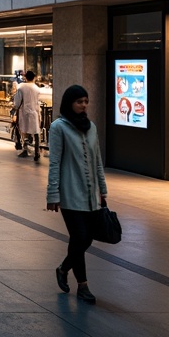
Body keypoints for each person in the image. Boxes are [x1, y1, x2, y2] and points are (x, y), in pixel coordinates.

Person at [47, 84, 108, 304]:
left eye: (85, 101)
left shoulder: (90, 127)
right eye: (78, 102)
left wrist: (103, 190)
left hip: (91, 193)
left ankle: (63, 268)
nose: (83, 106)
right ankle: (83, 286)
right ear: (69, 103)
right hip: (69, 193)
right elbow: (54, 163)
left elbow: (97, 161)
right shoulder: (58, 127)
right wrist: (53, 195)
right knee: (80, 237)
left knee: (85, 239)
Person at [12, 69, 44, 161]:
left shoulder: (21, 87)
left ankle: (25, 148)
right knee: (36, 132)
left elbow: (17, 102)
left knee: (24, 131)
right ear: (34, 78)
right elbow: (38, 102)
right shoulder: (37, 89)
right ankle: (37, 152)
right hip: (35, 112)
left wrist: (15, 108)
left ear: (25, 78)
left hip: (24, 112)